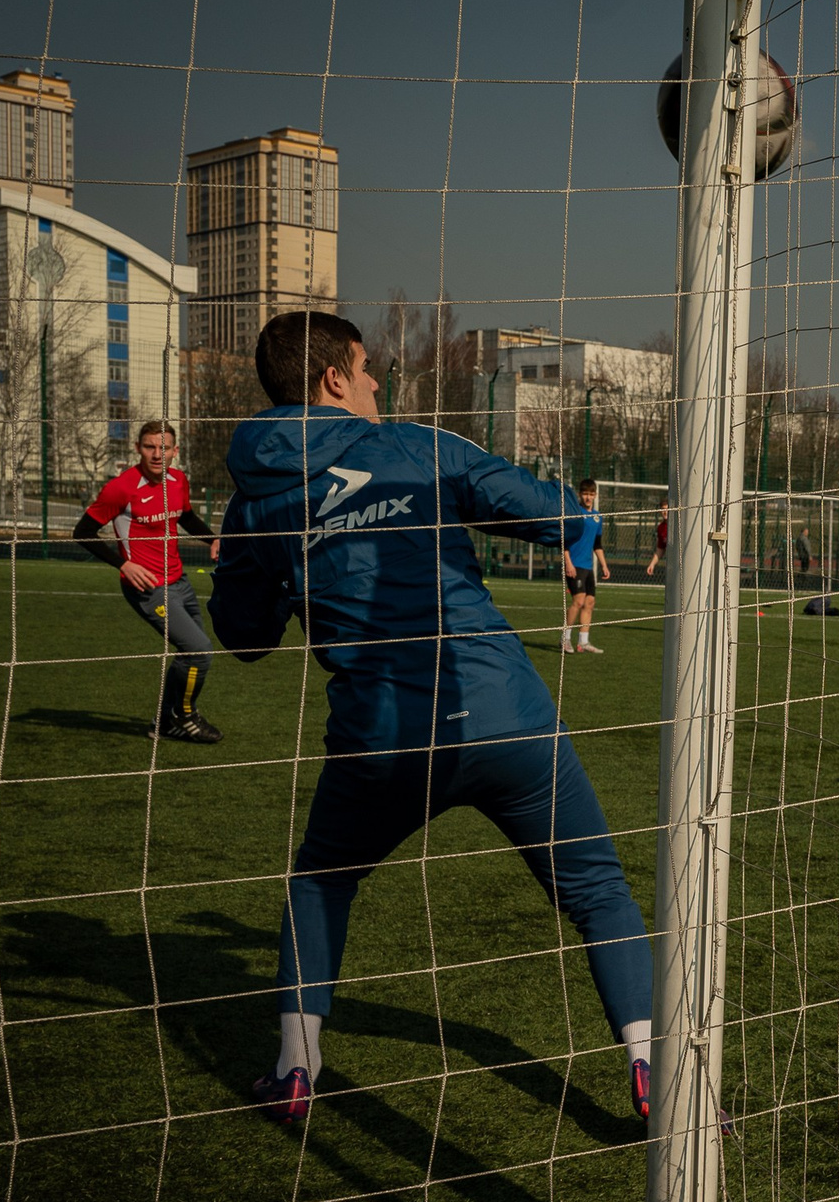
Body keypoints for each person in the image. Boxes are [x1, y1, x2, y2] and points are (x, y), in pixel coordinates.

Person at [210, 311, 653, 1124]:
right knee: (596, 889)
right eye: (368, 365)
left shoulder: (255, 499)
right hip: (504, 716)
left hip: (379, 740)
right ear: (333, 378)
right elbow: (557, 517)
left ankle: (295, 1071)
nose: (379, 381)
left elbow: (242, 641)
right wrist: (577, 518)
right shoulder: (421, 448)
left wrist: (272, 570)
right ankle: (653, 1069)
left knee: (321, 882)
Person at [74, 420, 223, 743]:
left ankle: (165, 722)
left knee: (190, 651)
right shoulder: (121, 488)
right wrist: (124, 564)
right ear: (138, 448)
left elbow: (184, 516)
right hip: (148, 589)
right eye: (150, 447)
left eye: (164, 447)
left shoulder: (178, 480)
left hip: (180, 582)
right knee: (199, 650)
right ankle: (184, 717)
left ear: (175, 451)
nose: (157, 454)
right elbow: (82, 532)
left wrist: (212, 539)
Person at [561, 478, 608, 653]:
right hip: (574, 565)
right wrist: (568, 563)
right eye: (585, 494)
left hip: (588, 567)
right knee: (578, 601)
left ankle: (583, 642)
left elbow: (597, 544)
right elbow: (564, 541)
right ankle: (565, 639)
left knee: (589, 603)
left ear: (595, 495)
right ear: (580, 494)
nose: (588, 497)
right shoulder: (575, 513)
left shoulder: (597, 517)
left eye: (591, 494)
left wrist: (604, 565)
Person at [646, 502, 669, 578]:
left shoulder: (679, 525)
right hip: (671, 564)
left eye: (667, 509)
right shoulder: (660, 528)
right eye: (663, 509)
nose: (665, 512)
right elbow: (660, 549)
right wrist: (652, 564)